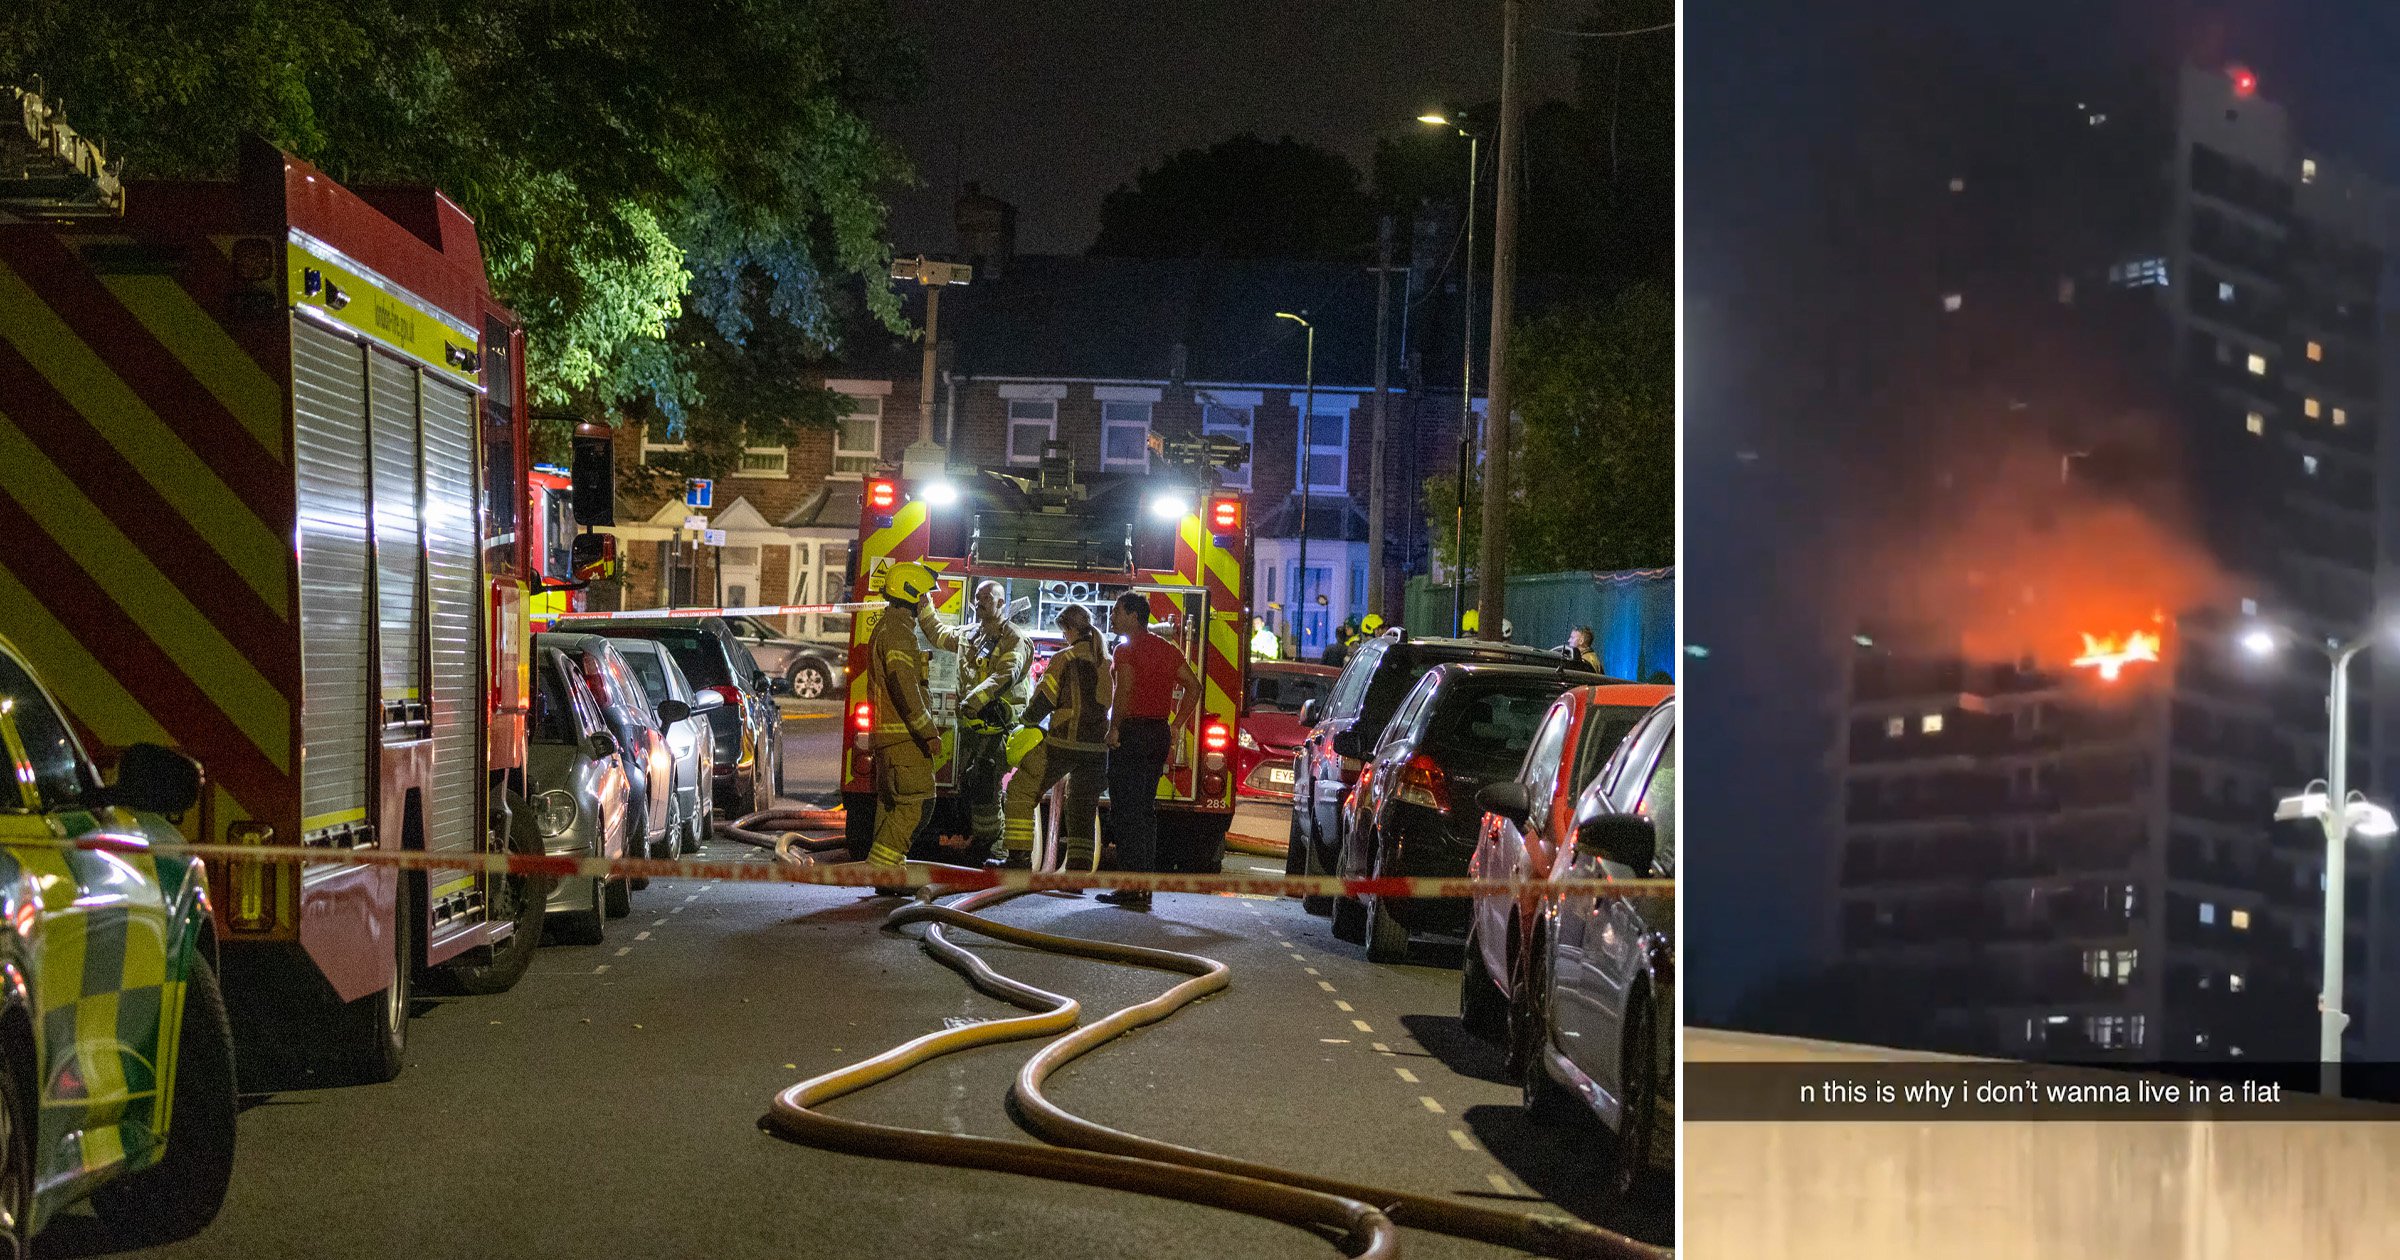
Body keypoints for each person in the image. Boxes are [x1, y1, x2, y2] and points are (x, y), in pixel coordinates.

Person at [917, 580, 1031, 867]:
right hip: (973, 727)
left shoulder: (1013, 638)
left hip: (999, 726)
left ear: (1001, 603)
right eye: (977, 599)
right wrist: (924, 605)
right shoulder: (972, 634)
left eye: (986, 599)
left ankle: (995, 847)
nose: (979, 603)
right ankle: (987, 842)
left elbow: (1007, 673)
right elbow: (939, 635)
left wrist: (975, 699)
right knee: (974, 783)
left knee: (986, 779)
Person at [1100, 592, 1201, 909]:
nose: (1112, 617)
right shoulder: (1167, 649)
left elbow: (1124, 689)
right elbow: (1194, 687)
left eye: (1116, 611)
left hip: (1132, 733)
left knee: (1126, 812)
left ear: (1132, 615)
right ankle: (1144, 888)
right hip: (1158, 733)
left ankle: (1130, 888)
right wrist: (1176, 724)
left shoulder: (1126, 650)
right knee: (1145, 811)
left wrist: (1114, 727)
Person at [999, 605, 1109, 872]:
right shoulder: (1106, 659)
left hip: (1063, 743)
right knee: (1082, 809)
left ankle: (1019, 860)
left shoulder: (1064, 658)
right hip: (1097, 749)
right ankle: (1078, 873)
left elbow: (1043, 701)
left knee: (1021, 790)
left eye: (1064, 631)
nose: (1063, 637)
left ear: (1069, 630)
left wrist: (1023, 722)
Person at [863, 561, 943, 882]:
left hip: (891, 739)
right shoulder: (898, 634)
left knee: (893, 805)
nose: (927, 602)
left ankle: (886, 874)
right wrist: (928, 733)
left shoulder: (891, 629)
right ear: (910, 593)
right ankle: (883, 869)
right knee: (918, 802)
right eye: (924, 596)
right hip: (905, 739)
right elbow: (905, 688)